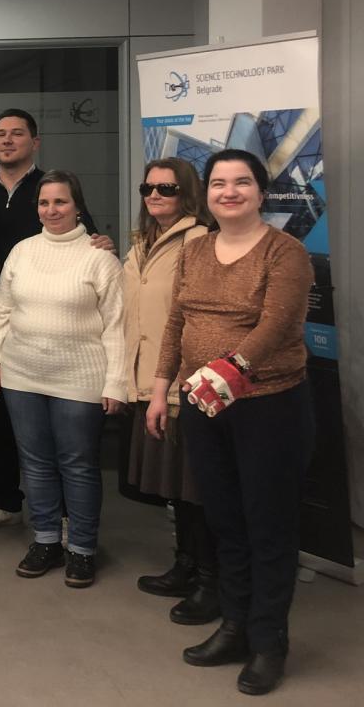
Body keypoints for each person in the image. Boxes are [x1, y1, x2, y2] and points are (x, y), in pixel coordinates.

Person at [152, 149, 314, 696]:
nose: (229, 192)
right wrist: (161, 388)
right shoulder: (194, 250)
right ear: (207, 194)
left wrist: (230, 371)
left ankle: (269, 642)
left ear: (261, 192)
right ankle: (235, 627)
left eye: (242, 182)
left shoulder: (285, 252)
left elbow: (276, 325)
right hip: (202, 404)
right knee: (225, 520)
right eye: (219, 183)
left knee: (268, 525)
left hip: (268, 406)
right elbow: (177, 321)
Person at [0, 108, 110, 535]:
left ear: (35, 142)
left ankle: (63, 516)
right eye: (0, 134)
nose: (7, 140)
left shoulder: (51, 188)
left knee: (56, 443)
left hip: (53, 326)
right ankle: (4, 501)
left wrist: (101, 244)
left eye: (17, 134)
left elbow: (87, 240)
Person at [0, 170, 125, 588]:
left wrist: (115, 382)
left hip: (80, 380)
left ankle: (81, 548)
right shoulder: (22, 251)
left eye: (60, 202)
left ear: (77, 206)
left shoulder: (100, 258)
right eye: (44, 203)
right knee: (36, 464)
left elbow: (117, 326)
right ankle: (46, 540)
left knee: (77, 465)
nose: (51, 210)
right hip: (22, 375)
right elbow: (1, 309)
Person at [124, 159, 218, 622]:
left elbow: (196, 318)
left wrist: (176, 380)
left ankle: (211, 580)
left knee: (197, 487)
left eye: (167, 188)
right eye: (149, 188)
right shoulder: (142, 242)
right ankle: (186, 564)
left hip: (187, 383)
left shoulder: (199, 241)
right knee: (176, 489)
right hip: (150, 380)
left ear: (188, 193)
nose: (155, 196)